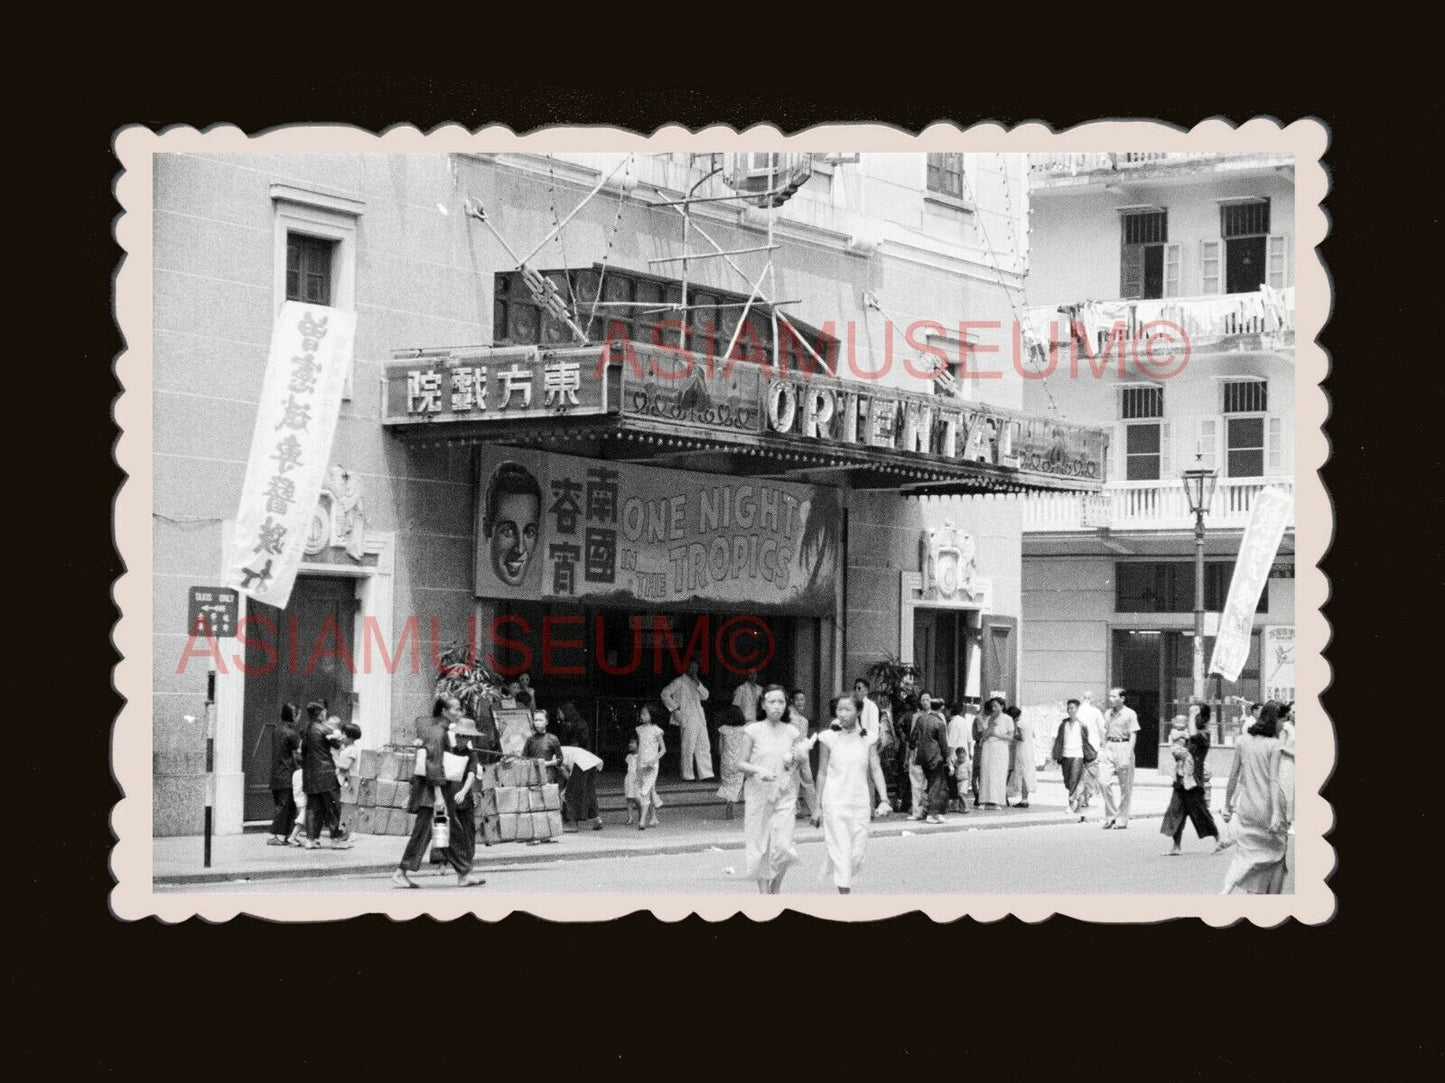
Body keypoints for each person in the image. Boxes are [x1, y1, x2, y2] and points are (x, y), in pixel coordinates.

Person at [737, 686, 808, 894]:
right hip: (758, 794)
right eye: (772, 702)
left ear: (786, 706)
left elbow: (795, 763)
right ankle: (764, 892)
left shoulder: (792, 732)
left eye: (781, 702)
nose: (776, 707)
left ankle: (775, 887)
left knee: (783, 846)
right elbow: (740, 763)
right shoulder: (752, 730)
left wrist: (796, 760)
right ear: (763, 705)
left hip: (785, 795)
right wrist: (758, 770)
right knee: (761, 846)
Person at [394, 696, 467, 888]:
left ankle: (463, 875)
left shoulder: (441, 731)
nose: (459, 713)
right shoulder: (437, 733)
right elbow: (433, 764)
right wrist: (439, 796)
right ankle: (401, 871)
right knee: (424, 833)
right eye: (456, 709)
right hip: (433, 795)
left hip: (436, 793)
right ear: (444, 711)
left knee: (448, 832)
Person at [815, 695, 885, 894]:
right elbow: (821, 773)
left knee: (856, 854)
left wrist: (885, 799)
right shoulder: (828, 737)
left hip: (860, 802)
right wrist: (816, 807)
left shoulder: (868, 738)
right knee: (842, 851)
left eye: (847, 710)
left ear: (859, 712)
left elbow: (876, 768)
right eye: (839, 710)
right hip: (834, 802)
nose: (843, 714)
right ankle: (845, 896)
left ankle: (837, 868)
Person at [1221, 701, 1289, 894]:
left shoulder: (1242, 740)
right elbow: (1273, 780)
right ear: (1275, 720)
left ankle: (1226, 889)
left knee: (1245, 853)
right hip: (1268, 805)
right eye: (1282, 720)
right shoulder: (1275, 745)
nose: (1283, 725)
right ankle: (1269, 897)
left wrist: (1227, 804)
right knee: (1276, 854)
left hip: (1247, 805)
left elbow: (1233, 775)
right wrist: (1276, 813)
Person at [1162, 705, 1225, 856]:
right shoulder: (1186, 734)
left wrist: (1192, 715)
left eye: (1196, 715)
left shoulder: (1204, 734)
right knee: (1175, 811)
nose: (1193, 717)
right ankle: (1176, 846)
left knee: (1201, 812)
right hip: (1181, 779)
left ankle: (1219, 841)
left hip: (1194, 781)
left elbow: (1194, 734)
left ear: (1203, 718)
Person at [440, 715, 487, 887]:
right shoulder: (447, 751)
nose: (461, 740)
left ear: (469, 739)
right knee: (444, 835)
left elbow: (471, 774)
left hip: (464, 800)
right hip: (445, 799)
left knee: (467, 837)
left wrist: (463, 790)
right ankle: (443, 863)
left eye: (465, 737)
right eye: (459, 736)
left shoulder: (471, 754)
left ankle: (465, 873)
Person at [300, 703, 351, 850]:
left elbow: (302, 751)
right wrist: (339, 737)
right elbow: (338, 745)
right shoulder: (324, 729)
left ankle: (311, 839)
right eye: (324, 713)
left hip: (309, 774)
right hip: (326, 772)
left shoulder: (305, 730)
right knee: (334, 805)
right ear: (321, 714)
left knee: (312, 807)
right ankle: (335, 839)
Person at [661, 659, 713, 781]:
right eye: (692, 668)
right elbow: (664, 694)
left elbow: (705, 696)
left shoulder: (697, 683)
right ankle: (687, 775)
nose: (694, 670)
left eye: (696, 668)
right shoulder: (679, 681)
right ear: (687, 668)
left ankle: (706, 774)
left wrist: (697, 681)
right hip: (687, 718)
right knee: (688, 747)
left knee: (704, 746)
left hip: (700, 718)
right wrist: (675, 708)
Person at [558, 704, 604, 832]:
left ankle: (573, 825)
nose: (559, 715)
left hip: (579, 762)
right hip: (589, 759)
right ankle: (596, 819)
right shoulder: (582, 723)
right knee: (589, 790)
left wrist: (568, 785)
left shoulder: (557, 752)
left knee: (572, 792)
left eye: (560, 712)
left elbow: (562, 770)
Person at [1100, 688, 1140, 830]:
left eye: (1113, 696)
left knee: (1125, 786)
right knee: (1103, 782)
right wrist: (1103, 750)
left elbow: (1133, 735)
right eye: (1109, 696)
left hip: (1124, 746)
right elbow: (1105, 732)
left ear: (1122, 698)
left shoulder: (1130, 714)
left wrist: (1128, 754)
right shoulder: (1108, 714)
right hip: (1110, 746)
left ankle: (1122, 818)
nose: (1110, 698)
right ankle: (1110, 815)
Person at [910, 695, 951, 824]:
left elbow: (912, 738)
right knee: (936, 786)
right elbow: (943, 744)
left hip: (922, 757)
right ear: (941, 708)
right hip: (935, 757)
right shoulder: (940, 722)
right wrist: (948, 759)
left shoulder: (920, 719)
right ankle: (932, 814)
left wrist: (913, 751)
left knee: (930, 785)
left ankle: (931, 812)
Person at [1052, 699, 1096, 821]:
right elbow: (1059, 740)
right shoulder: (1063, 724)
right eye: (1069, 708)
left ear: (1077, 709)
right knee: (1067, 780)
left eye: (1072, 708)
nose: (1070, 710)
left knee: (1074, 780)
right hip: (1065, 755)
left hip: (1078, 754)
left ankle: (1071, 803)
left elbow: (1086, 741)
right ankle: (1079, 798)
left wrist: (1089, 755)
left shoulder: (1082, 725)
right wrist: (1056, 754)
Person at [267, 703, 302, 846]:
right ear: (292, 716)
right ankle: (279, 836)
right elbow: (300, 752)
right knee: (286, 806)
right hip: (287, 774)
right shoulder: (292, 734)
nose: (299, 718)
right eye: (298, 715)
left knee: (281, 805)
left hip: (276, 773)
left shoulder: (276, 731)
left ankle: (282, 834)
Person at [976, 697, 1013, 809]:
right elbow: (984, 735)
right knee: (986, 773)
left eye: (996, 706)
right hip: (988, 747)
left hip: (1000, 748)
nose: (993, 708)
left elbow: (1010, 736)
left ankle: (997, 801)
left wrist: (996, 734)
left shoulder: (1008, 719)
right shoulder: (988, 718)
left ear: (1001, 706)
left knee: (998, 774)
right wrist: (986, 727)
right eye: (992, 706)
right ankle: (983, 801)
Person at [715, 704, 748, 819]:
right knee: (737, 784)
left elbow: (720, 748)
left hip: (726, 760)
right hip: (739, 760)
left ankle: (728, 803)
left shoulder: (723, 729)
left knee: (727, 784)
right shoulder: (744, 730)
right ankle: (732, 803)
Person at [634, 706, 665, 829]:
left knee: (644, 792)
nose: (642, 716)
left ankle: (642, 821)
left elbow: (663, 749)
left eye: (645, 714)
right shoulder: (639, 730)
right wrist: (637, 766)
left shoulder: (656, 730)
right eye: (641, 714)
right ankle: (653, 817)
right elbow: (640, 750)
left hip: (652, 764)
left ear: (651, 715)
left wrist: (654, 760)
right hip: (641, 763)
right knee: (648, 790)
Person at [945, 702, 973, 815]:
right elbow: (969, 739)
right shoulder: (963, 721)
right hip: (964, 754)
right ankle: (961, 804)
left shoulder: (952, 723)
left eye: (946, 710)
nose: (945, 712)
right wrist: (969, 753)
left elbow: (951, 743)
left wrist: (948, 758)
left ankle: (956, 804)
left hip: (955, 756)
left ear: (950, 710)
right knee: (963, 781)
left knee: (954, 781)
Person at [1006, 705, 1035, 808]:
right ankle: (1025, 798)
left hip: (1023, 749)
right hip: (1029, 748)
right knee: (1026, 772)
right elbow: (1032, 735)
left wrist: (1011, 736)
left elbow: (1021, 737)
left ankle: (1024, 799)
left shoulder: (1019, 723)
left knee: (1023, 773)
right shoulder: (1027, 720)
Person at [1277, 702, 1296, 833]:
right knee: (1287, 792)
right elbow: (1281, 746)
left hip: (1296, 763)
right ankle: (1286, 822)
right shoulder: (1286, 727)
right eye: (1294, 712)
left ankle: (1293, 821)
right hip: (1287, 762)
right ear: (1289, 713)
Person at [622, 737, 643, 826]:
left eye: (633, 743)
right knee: (629, 798)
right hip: (629, 777)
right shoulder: (629, 756)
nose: (630, 744)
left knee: (637, 797)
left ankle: (641, 812)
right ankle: (630, 817)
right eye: (630, 743)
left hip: (636, 777)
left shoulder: (640, 756)